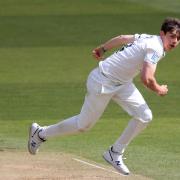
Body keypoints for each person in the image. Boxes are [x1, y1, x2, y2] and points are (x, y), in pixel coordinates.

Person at [28, 17, 180, 175]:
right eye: (172, 36)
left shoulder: (148, 37)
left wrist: (103, 48)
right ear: (162, 33)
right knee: (83, 125)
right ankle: (40, 133)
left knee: (145, 116)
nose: (175, 41)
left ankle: (115, 153)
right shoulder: (155, 48)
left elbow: (122, 38)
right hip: (102, 81)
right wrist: (159, 89)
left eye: (178, 38)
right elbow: (146, 78)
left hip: (122, 84)